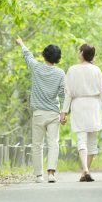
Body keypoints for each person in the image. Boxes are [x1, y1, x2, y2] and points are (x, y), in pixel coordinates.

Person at [61, 44, 102, 182]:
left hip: (78, 105)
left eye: (79, 50)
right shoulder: (96, 70)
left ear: (82, 53)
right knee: (92, 142)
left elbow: (68, 94)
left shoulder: (72, 70)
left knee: (81, 139)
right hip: (94, 105)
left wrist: (64, 112)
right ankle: (86, 170)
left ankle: (85, 170)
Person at [16, 37, 65, 183]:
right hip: (53, 113)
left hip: (38, 113)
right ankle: (51, 173)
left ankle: (39, 175)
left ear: (44, 55)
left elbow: (28, 56)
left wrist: (22, 43)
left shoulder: (36, 68)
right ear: (57, 59)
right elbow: (63, 94)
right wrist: (65, 112)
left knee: (37, 144)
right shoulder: (60, 73)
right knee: (53, 143)